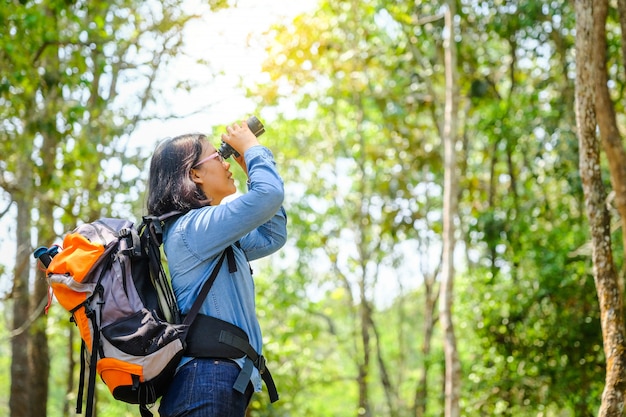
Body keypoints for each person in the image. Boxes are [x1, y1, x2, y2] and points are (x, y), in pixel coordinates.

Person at [146, 119, 287, 417]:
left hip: (216, 381)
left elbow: (272, 236)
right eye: (217, 156)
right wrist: (251, 147)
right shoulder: (193, 228)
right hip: (206, 379)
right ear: (194, 174)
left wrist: (252, 171)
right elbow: (269, 195)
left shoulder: (212, 232)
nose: (226, 164)